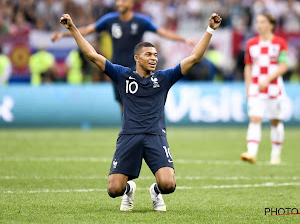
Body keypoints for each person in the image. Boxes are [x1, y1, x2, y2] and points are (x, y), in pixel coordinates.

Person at [59, 12, 222, 211]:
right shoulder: (123, 76)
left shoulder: (164, 78)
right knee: (113, 189)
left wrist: (210, 29)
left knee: (168, 185)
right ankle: (128, 189)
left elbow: (194, 57)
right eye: (148, 55)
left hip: (155, 136)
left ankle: (156, 191)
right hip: (129, 136)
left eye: (155, 55)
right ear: (137, 58)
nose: (153, 58)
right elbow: (92, 55)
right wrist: (72, 28)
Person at [52, 0, 194, 108]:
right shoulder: (110, 20)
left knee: (137, 101)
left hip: (135, 67)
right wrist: (64, 34)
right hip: (116, 68)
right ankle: (128, 132)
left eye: (124, 0)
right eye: (119, 0)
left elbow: (162, 32)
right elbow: (88, 29)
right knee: (122, 103)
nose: (120, 3)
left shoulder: (141, 21)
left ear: (131, 4)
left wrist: (184, 40)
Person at [241, 13, 288, 165]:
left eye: (262, 22)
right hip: (256, 88)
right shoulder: (251, 43)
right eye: (257, 22)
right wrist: (248, 87)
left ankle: (275, 155)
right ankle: (252, 153)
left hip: (274, 88)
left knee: (275, 121)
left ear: (271, 24)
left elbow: (283, 66)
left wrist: (267, 80)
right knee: (255, 118)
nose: (259, 25)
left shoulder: (280, 43)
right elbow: (248, 66)